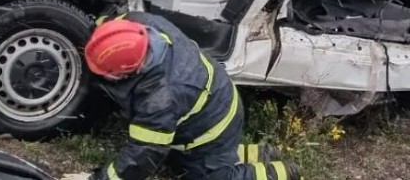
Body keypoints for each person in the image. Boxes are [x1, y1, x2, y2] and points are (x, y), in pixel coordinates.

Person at [69, 12, 300, 180]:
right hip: (212, 93)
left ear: (131, 69)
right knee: (181, 158)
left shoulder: (162, 97)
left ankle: (282, 172)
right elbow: (98, 30)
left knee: (210, 176)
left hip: (215, 125)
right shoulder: (133, 23)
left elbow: (143, 155)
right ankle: (259, 153)